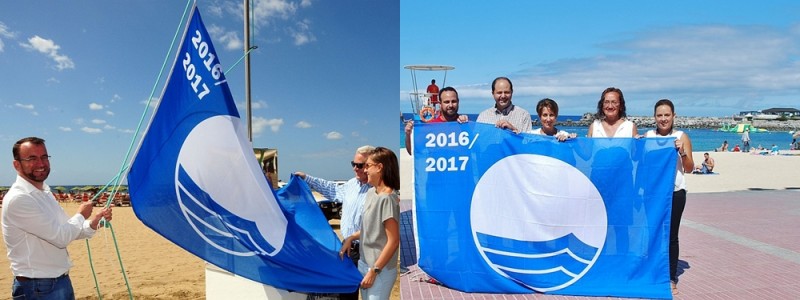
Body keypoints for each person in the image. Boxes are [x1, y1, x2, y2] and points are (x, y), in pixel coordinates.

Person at [2, 137, 113, 299]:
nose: (41, 163)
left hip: (58, 280)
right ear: (16, 164)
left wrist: (94, 222)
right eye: (31, 158)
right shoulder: (19, 198)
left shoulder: (45, 193)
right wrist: (81, 214)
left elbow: (67, 228)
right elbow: (61, 237)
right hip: (37, 287)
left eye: (44, 157)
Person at [294, 145, 375, 300]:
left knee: (369, 294)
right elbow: (331, 189)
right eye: (353, 164)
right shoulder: (351, 185)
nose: (355, 169)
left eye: (360, 165)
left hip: (369, 253)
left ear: (371, 165)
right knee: (346, 294)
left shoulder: (378, 190)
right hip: (348, 250)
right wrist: (306, 178)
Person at [644, 99, 695, 295]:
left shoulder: (681, 136)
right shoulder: (648, 136)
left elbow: (689, 168)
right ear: (654, 117)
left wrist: (682, 152)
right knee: (651, 233)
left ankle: (671, 276)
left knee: (671, 236)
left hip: (675, 192)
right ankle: (651, 272)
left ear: (674, 116)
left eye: (667, 115)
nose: (663, 119)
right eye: (659, 115)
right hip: (653, 194)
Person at [340, 147, 400, 300]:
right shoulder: (371, 193)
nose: (364, 170)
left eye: (368, 166)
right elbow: (370, 228)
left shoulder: (387, 199)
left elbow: (393, 242)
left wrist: (374, 271)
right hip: (364, 264)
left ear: (380, 167)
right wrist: (351, 238)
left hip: (380, 271)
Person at [404, 87, 469, 155]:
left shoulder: (465, 124)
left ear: (458, 102)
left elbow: (478, 148)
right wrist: (408, 134)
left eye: (454, 101)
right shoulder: (431, 126)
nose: (450, 105)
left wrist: (467, 126)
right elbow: (412, 151)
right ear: (440, 104)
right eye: (446, 102)